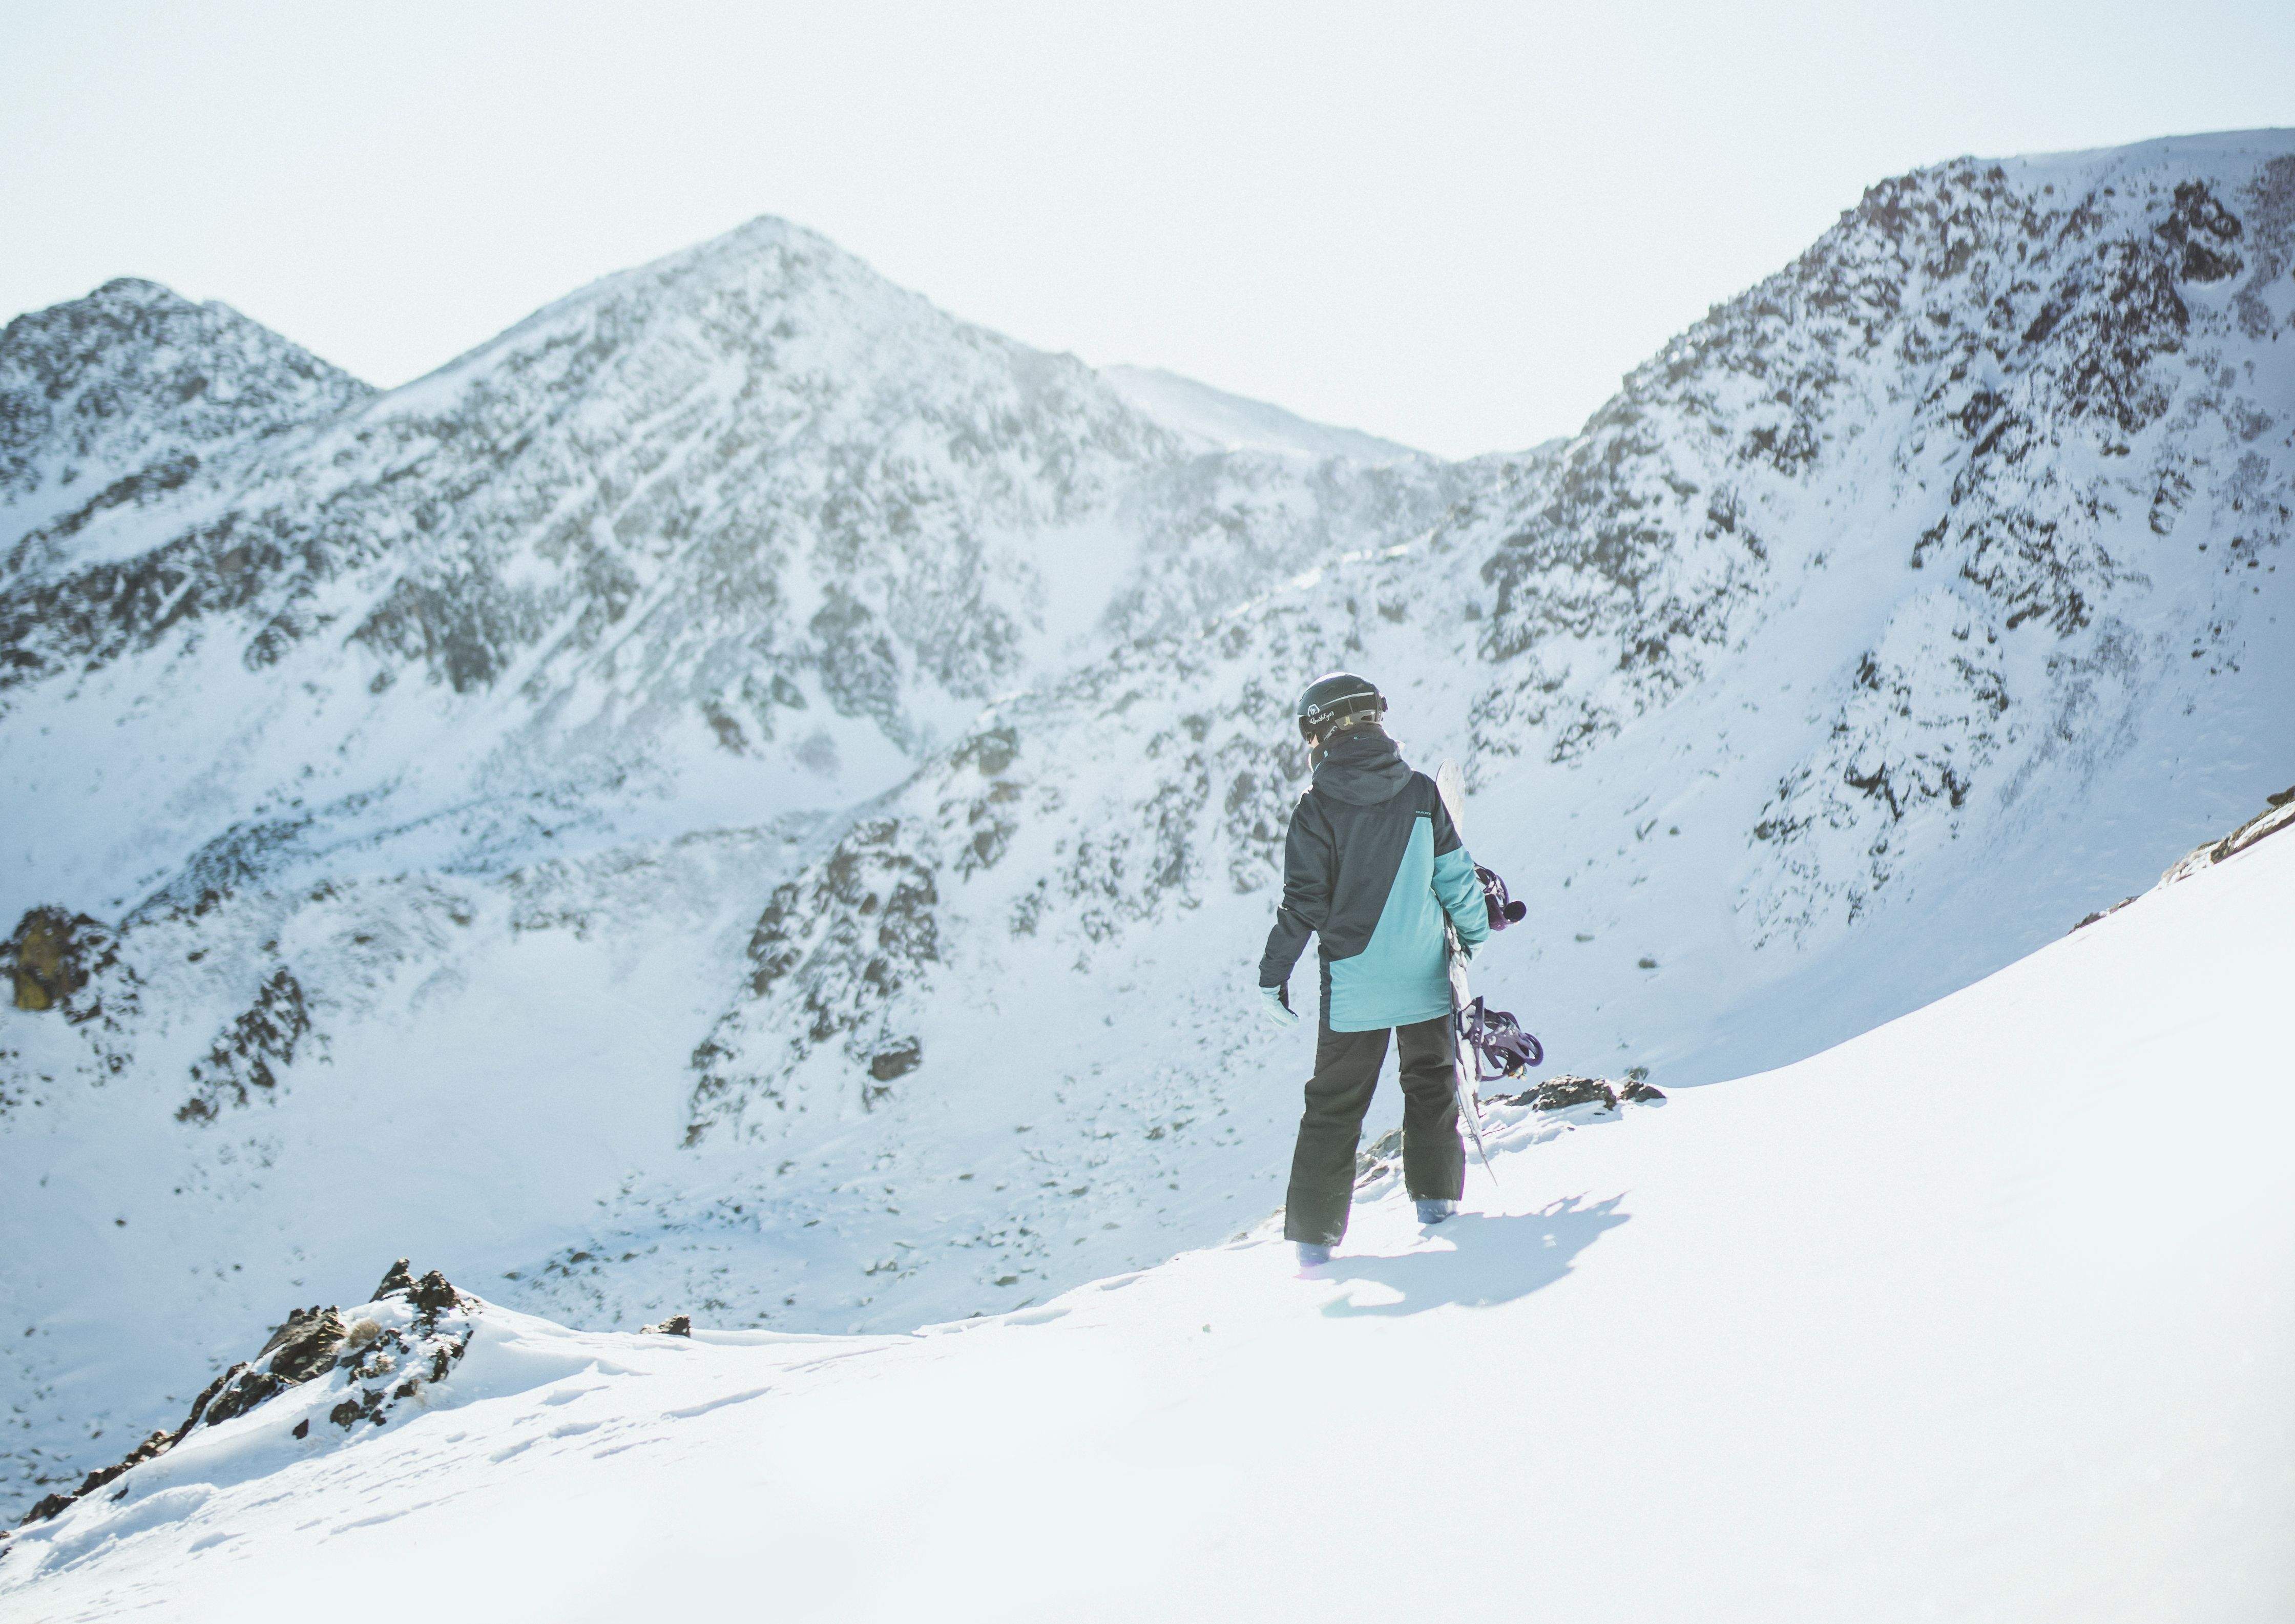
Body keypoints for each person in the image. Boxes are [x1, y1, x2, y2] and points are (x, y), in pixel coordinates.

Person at [1257, 672, 1491, 1269]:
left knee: (1334, 1108)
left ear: (1323, 728)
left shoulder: (1315, 808)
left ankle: (1314, 1247)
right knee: (1431, 1087)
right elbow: (1455, 877)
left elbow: (1302, 904)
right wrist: (1471, 937)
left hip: (1354, 989)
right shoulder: (1420, 793)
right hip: (1424, 980)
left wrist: (1273, 974)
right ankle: (1437, 1209)